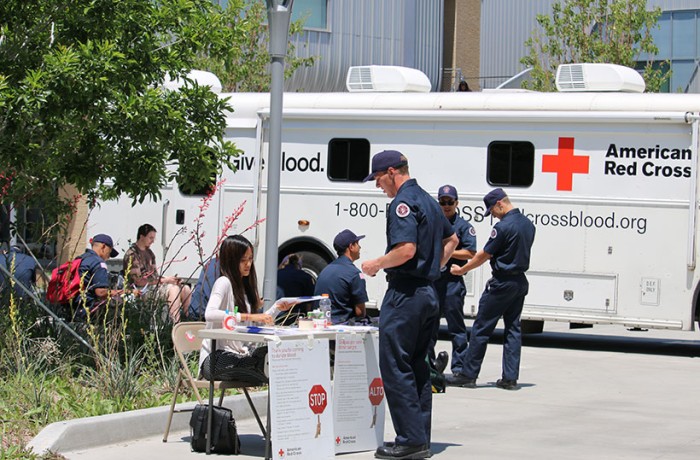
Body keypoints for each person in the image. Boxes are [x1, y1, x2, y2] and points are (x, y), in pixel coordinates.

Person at [361, 150, 458, 460]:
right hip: (429, 294)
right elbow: (452, 241)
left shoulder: (402, 204)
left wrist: (377, 263)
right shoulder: (430, 201)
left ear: (392, 172)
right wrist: (434, 267)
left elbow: (405, 249)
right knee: (419, 366)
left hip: (405, 295)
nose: (378, 186)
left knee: (395, 365)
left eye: (378, 179)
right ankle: (420, 438)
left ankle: (409, 439)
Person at [446, 188, 536, 390]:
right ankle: (510, 378)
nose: (492, 215)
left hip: (502, 283)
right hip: (520, 282)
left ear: (500, 204)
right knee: (513, 328)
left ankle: (468, 375)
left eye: (492, 211)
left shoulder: (503, 227)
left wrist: (462, 270)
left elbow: (482, 255)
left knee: (481, 328)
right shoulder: (528, 224)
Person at [199, 235, 293, 382]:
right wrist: (247, 316)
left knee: (277, 355)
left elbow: (258, 323)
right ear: (231, 261)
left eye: (250, 259)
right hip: (216, 359)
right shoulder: (223, 282)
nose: (248, 264)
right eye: (243, 260)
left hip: (239, 356)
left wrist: (277, 308)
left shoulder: (244, 287)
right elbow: (209, 313)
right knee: (269, 366)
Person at [430, 185, 477, 375]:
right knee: (429, 327)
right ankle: (430, 366)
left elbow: (471, 252)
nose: (446, 205)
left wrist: (447, 252)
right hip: (433, 282)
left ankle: (458, 368)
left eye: (450, 202)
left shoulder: (464, 227)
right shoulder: (432, 224)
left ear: (457, 203)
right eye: (443, 202)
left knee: (456, 328)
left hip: (452, 282)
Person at [123, 223, 191, 322]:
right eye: (150, 238)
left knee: (185, 289)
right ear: (142, 236)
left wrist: (168, 280)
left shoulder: (150, 253)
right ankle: (175, 324)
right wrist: (164, 280)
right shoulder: (132, 254)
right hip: (140, 290)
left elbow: (154, 276)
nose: (153, 241)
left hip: (151, 287)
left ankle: (187, 320)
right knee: (174, 290)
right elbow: (138, 281)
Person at [314, 229, 369, 324]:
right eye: (357, 243)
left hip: (321, 322)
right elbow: (360, 313)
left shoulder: (325, 270)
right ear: (351, 247)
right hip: (342, 324)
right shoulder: (355, 274)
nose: (360, 247)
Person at [74, 234, 121, 320]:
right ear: (103, 246)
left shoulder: (81, 258)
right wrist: (122, 292)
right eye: (109, 253)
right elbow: (101, 292)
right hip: (86, 311)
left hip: (71, 307)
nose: (109, 257)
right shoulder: (98, 263)